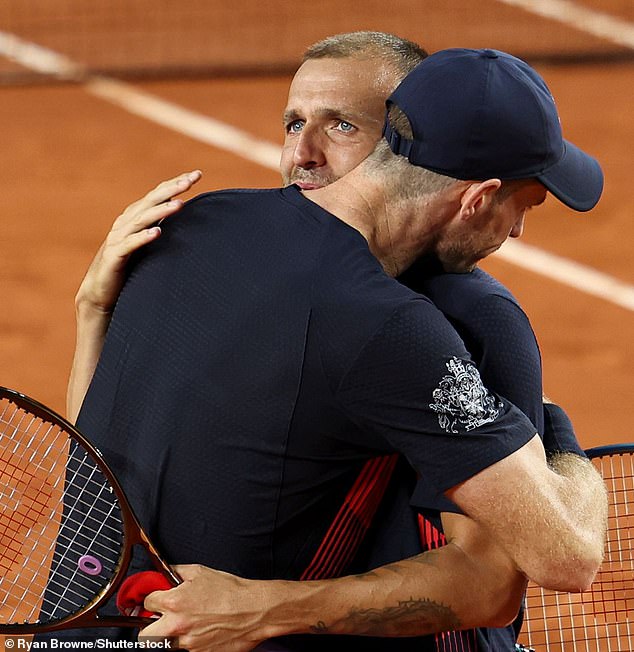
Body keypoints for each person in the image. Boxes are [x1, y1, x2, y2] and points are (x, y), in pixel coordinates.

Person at [56, 47, 609, 652]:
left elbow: (98, 455)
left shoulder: (190, 222)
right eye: (523, 206)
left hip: (76, 624)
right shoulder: (393, 323)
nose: (518, 232)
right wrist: (554, 431)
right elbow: (567, 558)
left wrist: (93, 312)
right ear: (477, 197)